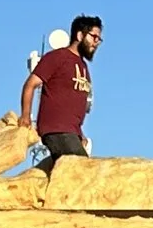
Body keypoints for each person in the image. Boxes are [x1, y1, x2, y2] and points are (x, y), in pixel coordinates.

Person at [20, 14, 103, 163]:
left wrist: (80, 134)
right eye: (94, 37)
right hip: (57, 130)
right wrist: (26, 116)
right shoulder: (57, 57)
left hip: (71, 133)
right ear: (79, 35)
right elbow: (30, 85)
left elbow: (71, 105)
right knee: (83, 171)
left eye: (99, 39)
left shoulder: (83, 66)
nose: (96, 42)